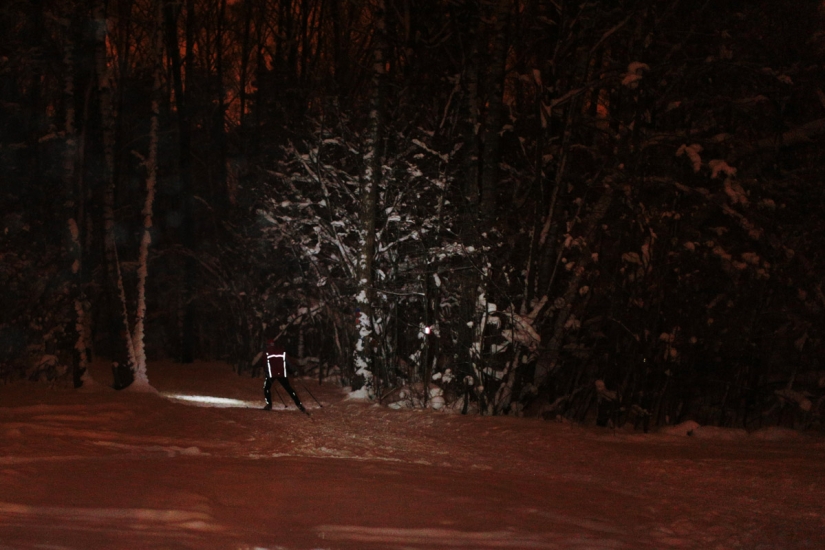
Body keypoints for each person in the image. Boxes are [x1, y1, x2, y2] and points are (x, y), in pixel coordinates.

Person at [262, 339, 307, 413]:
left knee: (267, 388)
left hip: (271, 374)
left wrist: (266, 372)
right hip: (282, 374)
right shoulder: (281, 351)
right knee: (289, 389)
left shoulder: (266, 353)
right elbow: (288, 362)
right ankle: (299, 404)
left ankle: (269, 404)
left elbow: (265, 364)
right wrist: (293, 370)